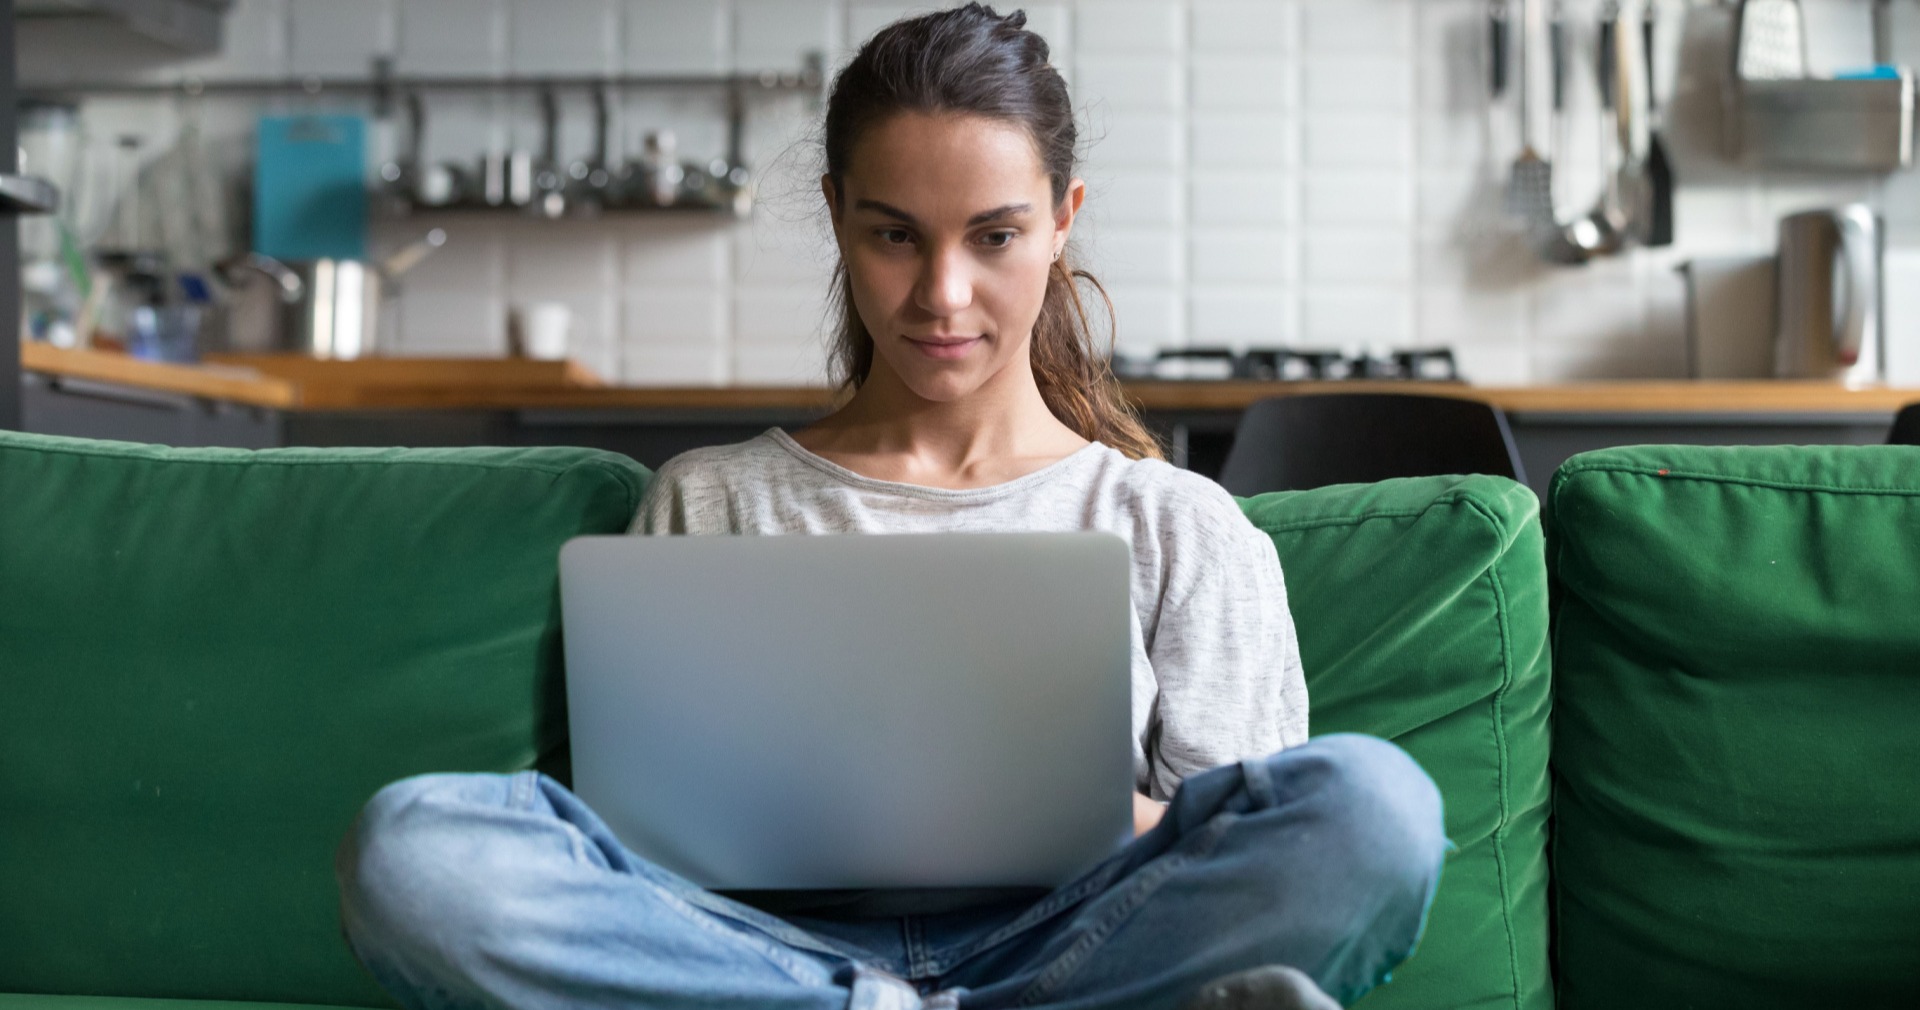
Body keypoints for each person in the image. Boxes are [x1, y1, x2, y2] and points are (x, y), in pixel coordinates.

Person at [334, 6, 1447, 1009]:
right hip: (756, 949)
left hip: (1075, 943)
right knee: (417, 847)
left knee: (1375, 805)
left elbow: (1233, 845)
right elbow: (641, 854)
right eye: (895, 233)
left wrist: (1062, 814)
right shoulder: (711, 499)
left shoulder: (1176, 522)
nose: (941, 295)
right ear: (837, 215)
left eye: (994, 235)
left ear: (1062, 221)